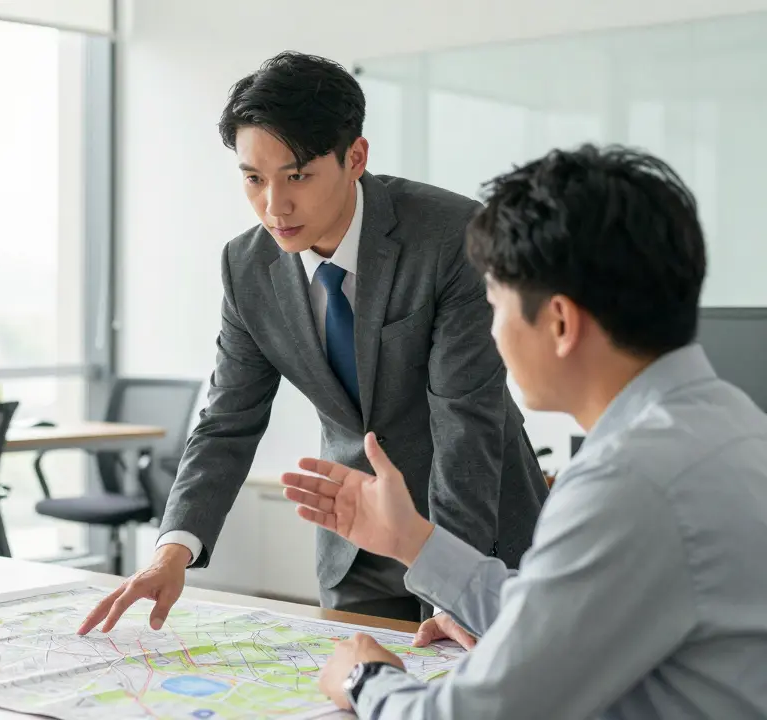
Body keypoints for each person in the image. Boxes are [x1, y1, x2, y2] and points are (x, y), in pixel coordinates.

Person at [284, 145, 767, 718]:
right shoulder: (729, 423)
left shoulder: (627, 481)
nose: (491, 331)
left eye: (495, 304)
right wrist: (412, 539)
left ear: (559, 323)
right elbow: (560, 615)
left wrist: (365, 679)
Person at [80, 51, 548, 630]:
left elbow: (465, 425)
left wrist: (454, 586)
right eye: (254, 179)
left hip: (478, 536)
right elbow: (228, 419)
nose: (274, 207)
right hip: (353, 544)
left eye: (297, 175)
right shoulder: (247, 265)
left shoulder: (450, 237)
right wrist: (171, 552)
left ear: (355, 157)